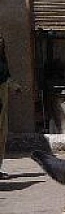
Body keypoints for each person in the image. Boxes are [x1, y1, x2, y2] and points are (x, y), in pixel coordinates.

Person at [0, 35, 15, 180]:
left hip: (3, 104)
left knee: (2, 137)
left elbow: (7, 78)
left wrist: (15, 86)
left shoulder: (3, 62)